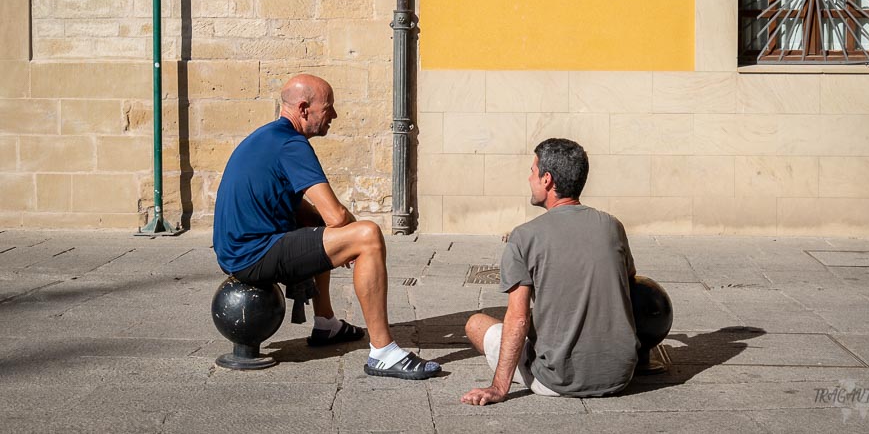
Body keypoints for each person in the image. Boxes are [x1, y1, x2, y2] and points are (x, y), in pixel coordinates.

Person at [212, 74, 440, 380]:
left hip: (238, 251)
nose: (333, 115)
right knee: (368, 236)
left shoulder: (267, 137)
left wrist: (338, 236)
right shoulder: (292, 144)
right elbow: (336, 215)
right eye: (328, 107)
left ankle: (326, 324)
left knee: (321, 227)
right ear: (304, 109)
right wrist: (354, 240)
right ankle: (384, 353)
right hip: (252, 255)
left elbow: (314, 216)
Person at [461, 138, 639, 405]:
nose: (529, 178)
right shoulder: (612, 226)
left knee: (476, 324)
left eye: (532, 171)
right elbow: (630, 280)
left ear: (547, 180)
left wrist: (498, 387)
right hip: (621, 375)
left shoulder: (524, 237)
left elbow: (518, 319)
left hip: (556, 381)